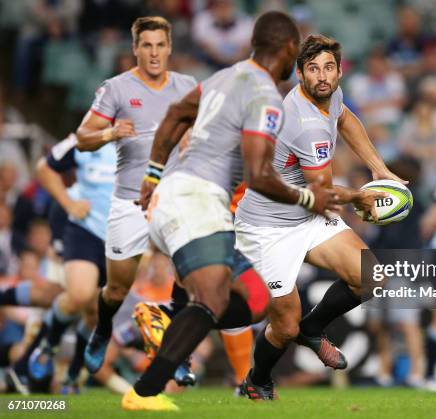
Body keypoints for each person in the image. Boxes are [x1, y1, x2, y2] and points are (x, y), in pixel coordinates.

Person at [122, 11, 339, 411]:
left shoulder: (226, 75)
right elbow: (258, 175)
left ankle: (169, 319)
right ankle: (145, 390)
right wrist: (310, 199)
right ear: (290, 50)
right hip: (197, 201)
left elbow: (176, 114)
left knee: (255, 301)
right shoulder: (264, 96)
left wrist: (153, 173)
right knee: (212, 301)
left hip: (187, 199)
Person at [235, 34, 404, 400]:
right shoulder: (303, 123)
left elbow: (346, 120)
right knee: (283, 325)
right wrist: (360, 196)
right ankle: (257, 380)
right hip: (269, 226)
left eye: (329, 67)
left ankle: (312, 328)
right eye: (313, 69)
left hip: (306, 212)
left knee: (371, 277)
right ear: (299, 74)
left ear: (340, 71)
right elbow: (323, 194)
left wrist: (380, 169)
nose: (322, 76)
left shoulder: (330, 95)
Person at [75, 16, 198, 384]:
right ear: (135, 49)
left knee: (189, 278)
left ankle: (176, 354)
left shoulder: (187, 85)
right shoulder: (115, 88)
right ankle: (103, 328)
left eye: (161, 45)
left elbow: (203, 128)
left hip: (173, 199)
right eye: (147, 45)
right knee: (116, 289)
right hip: (129, 201)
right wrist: (111, 131)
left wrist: (193, 136)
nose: (155, 52)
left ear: (170, 48)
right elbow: (82, 137)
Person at [26, 133, 115, 393]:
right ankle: (48, 344)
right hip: (85, 227)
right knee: (79, 295)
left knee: (96, 311)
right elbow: (44, 167)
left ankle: (74, 372)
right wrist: (69, 203)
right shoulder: (84, 137)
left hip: (121, 234)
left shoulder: (146, 136)